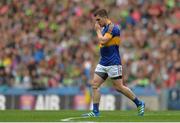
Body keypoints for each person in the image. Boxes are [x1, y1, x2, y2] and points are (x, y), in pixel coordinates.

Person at [82, 9, 145, 117]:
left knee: (119, 87)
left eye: (98, 20)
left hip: (113, 62)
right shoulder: (104, 29)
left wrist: (97, 31)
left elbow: (103, 41)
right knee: (95, 85)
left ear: (104, 17)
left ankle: (139, 103)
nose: (97, 23)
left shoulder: (112, 28)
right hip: (103, 62)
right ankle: (95, 111)